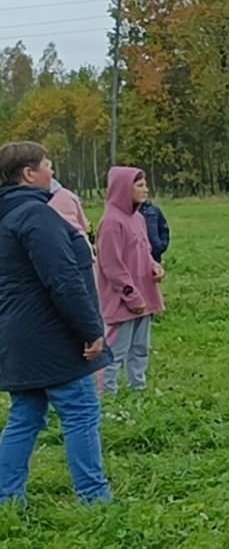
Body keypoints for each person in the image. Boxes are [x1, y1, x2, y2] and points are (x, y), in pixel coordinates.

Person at [0, 141, 112, 505]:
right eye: (48, 165)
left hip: (18, 337)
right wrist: (91, 330)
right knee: (81, 412)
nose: (53, 173)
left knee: (26, 415)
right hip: (53, 336)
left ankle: (7, 498)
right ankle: (94, 499)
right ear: (28, 174)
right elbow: (62, 279)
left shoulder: (7, 217)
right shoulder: (35, 217)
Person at [96, 166, 166, 396]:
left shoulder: (138, 218)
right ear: (124, 189)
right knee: (116, 350)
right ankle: (109, 395)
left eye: (145, 184)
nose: (146, 189)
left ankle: (138, 388)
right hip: (124, 300)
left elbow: (144, 252)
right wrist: (131, 295)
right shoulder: (111, 223)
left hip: (144, 296)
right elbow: (112, 266)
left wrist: (154, 267)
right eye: (139, 185)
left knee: (140, 347)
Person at [48, 177, 92, 244]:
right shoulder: (69, 195)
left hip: (59, 240)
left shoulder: (43, 201)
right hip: (79, 239)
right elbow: (83, 223)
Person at [140, 192, 170, 264]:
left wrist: (161, 246)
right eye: (140, 186)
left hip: (155, 258)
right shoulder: (128, 213)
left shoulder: (155, 210)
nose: (145, 190)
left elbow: (164, 230)